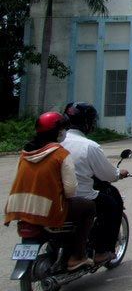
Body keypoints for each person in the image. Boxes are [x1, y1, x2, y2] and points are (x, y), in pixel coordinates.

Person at [4, 112, 95, 271]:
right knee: (88, 207)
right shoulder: (60, 154)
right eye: (63, 129)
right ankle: (78, 256)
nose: (65, 133)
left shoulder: (25, 153)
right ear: (58, 132)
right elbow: (71, 189)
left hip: (19, 209)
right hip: (47, 210)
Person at [61, 102, 129, 263]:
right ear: (88, 123)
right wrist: (120, 173)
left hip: (52, 196)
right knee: (111, 203)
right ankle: (102, 251)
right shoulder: (89, 146)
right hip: (80, 197)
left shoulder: (51, 143)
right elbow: (108, 174)